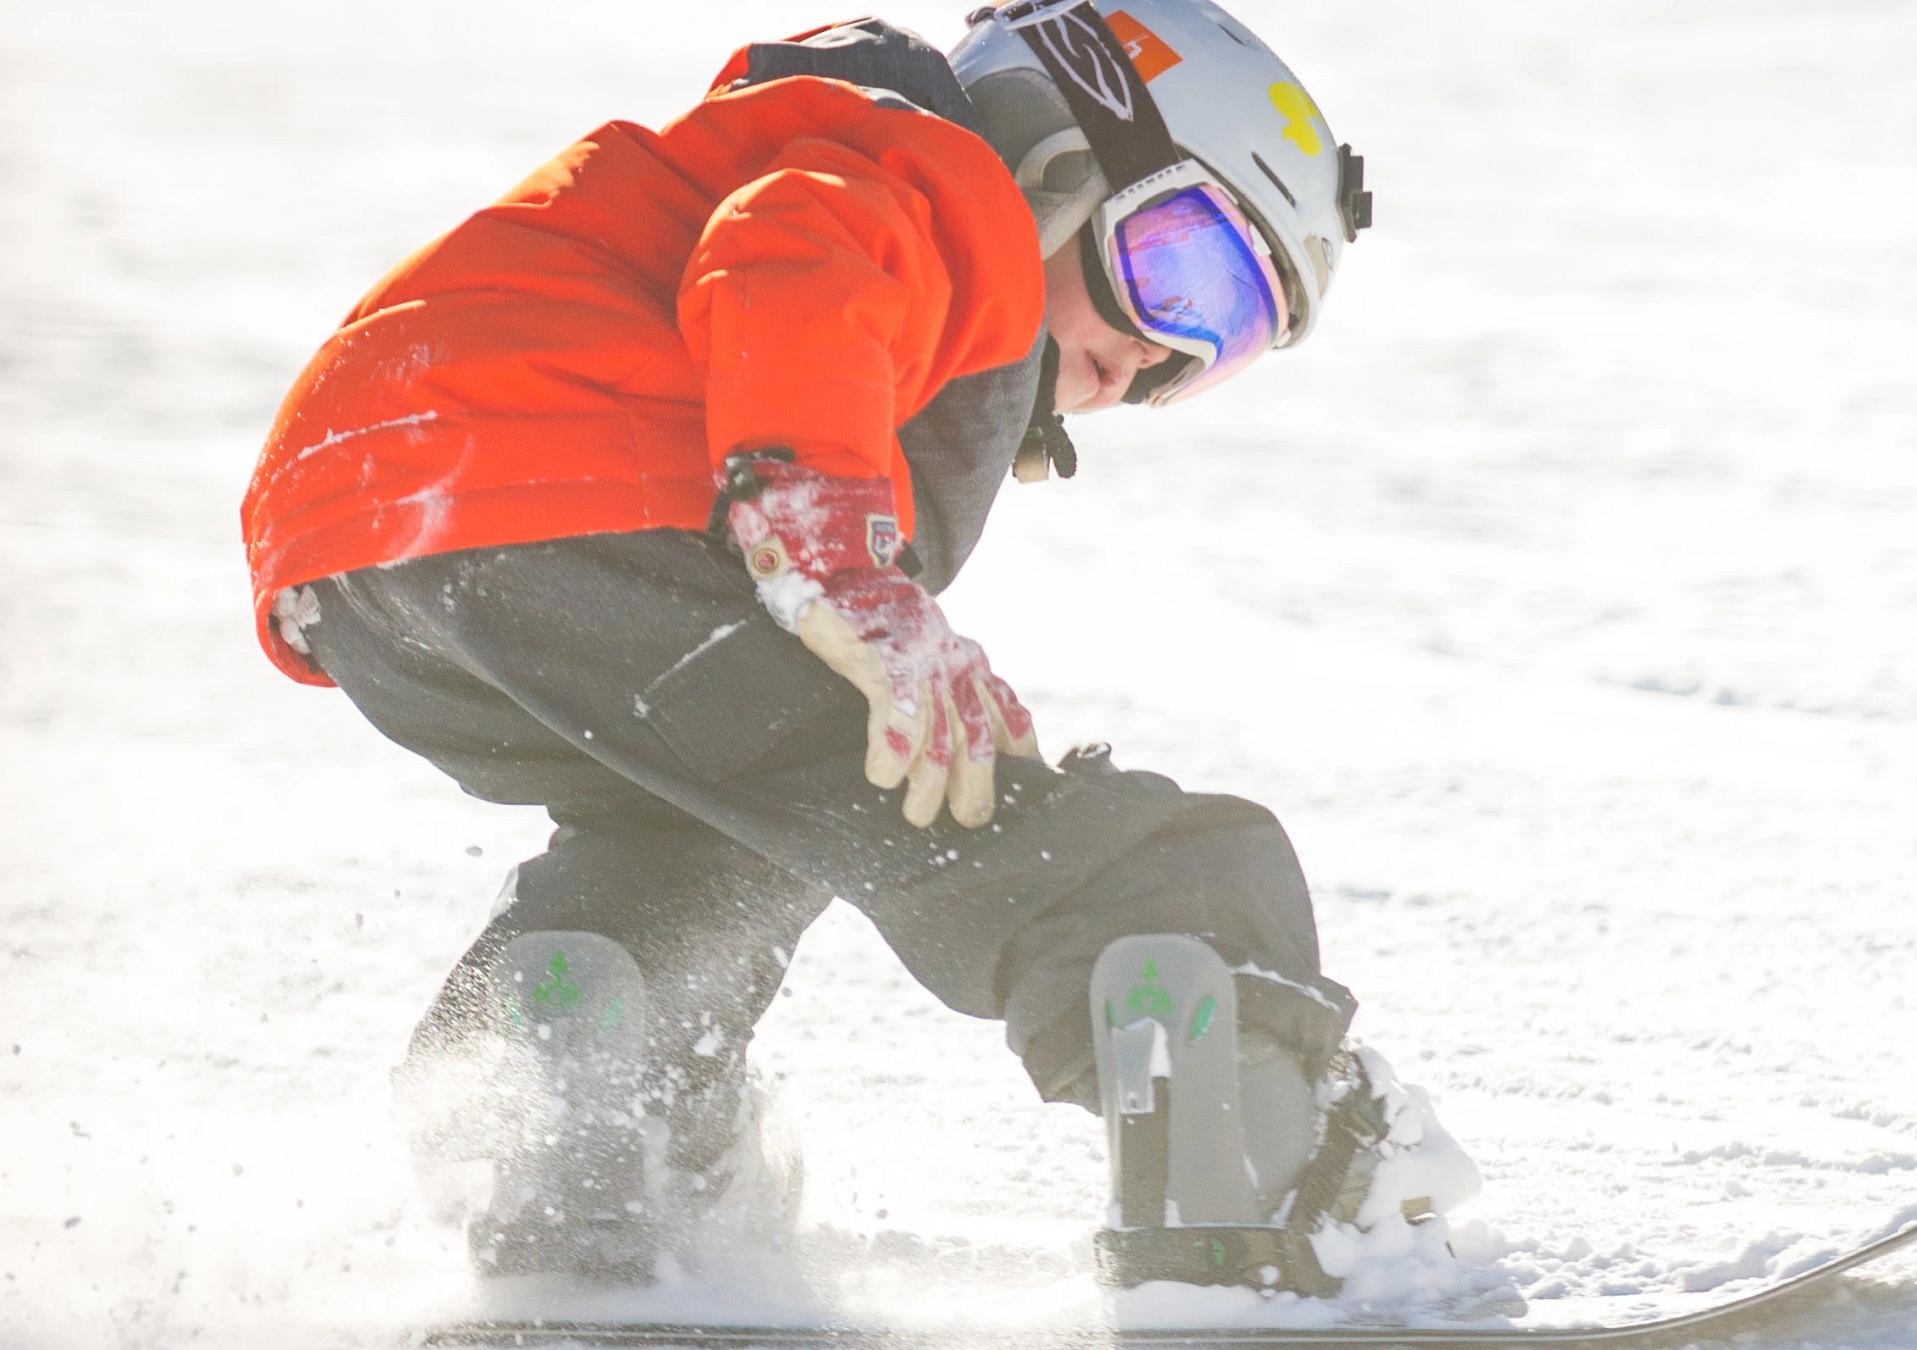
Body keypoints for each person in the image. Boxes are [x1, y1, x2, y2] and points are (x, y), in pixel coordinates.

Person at [240, 0, 1478, 1295]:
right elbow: (790, 254)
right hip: (581, 500)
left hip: (375, 568)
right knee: (1117, 858)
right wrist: (828, 542)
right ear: (1061, 145)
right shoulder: (929, 168)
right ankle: (1268, 1205)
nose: (1154, 357)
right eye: (1186, 270)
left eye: (1217, 349)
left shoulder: (825, 167)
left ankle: (581, 1161)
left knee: (703, 844)